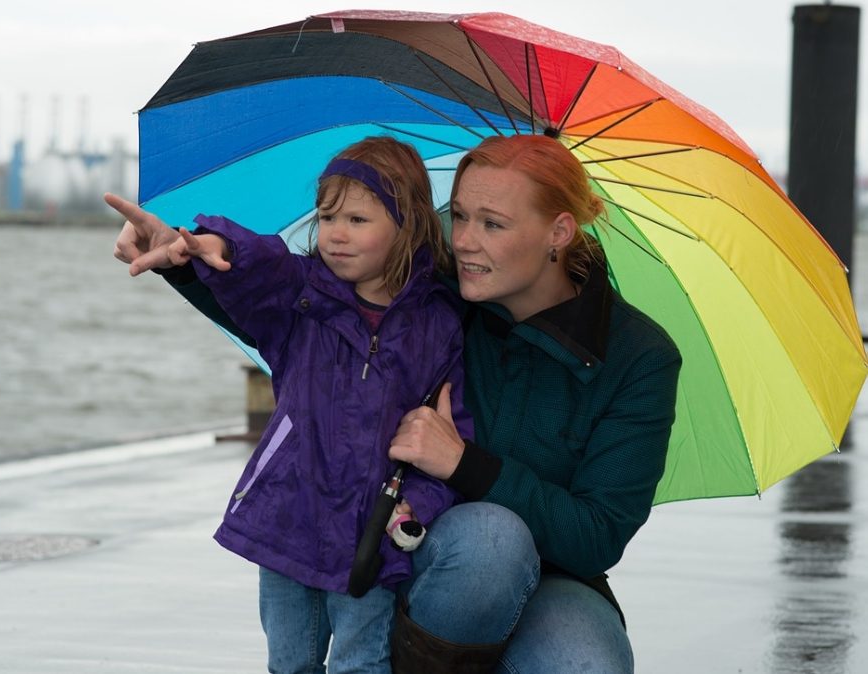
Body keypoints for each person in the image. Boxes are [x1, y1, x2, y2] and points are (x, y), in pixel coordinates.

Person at [111, 134, 681, 673]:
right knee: (488, 542)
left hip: (551, 577)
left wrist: (463, 463)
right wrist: (184, 262)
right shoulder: (433, 290)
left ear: (558, 232)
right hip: (404, 545)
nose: (463, 241)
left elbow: (597, 535)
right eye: (458, 215)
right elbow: (301, 315)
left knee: (579, 657)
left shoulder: (637, 356)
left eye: (492, 224)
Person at [106, 136, 474, 674]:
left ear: (408, 224)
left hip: (371, 534)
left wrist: (420, 502)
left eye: (357, 219)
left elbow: (450, 431)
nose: (336, 234)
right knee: (289, 662)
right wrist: (216, 247)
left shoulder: (438, 325)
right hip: (288, 514)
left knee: (361, 662)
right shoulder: (301, 298)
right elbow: (260, 266)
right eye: (326, 217)